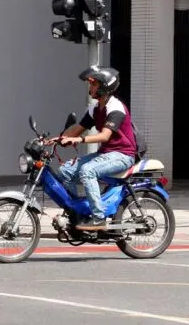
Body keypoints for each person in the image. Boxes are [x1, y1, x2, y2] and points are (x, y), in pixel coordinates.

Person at [48, 66, 138, 231]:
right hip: (106, 154)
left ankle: (98, 218)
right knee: (65, 171)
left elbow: (104, 136)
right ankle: (77, 212)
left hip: (122, 155)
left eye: (94, 84)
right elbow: (78, 128)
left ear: (105, 86)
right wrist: (57, 139)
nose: (91, 88)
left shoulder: (115, 108)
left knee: (88, 171)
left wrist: (79, 139)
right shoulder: (95, 108)